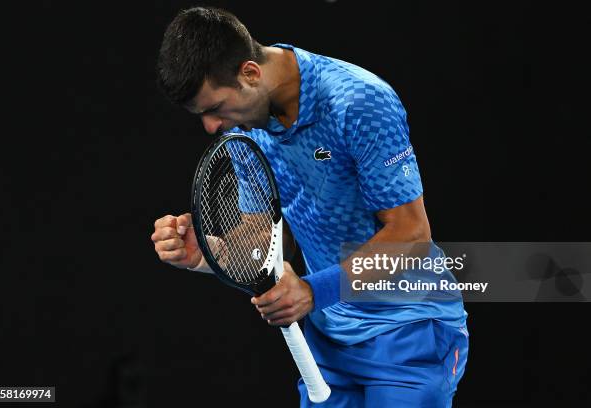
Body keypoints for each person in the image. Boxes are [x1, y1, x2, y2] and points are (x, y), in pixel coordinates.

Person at [151, 7, 469, 407]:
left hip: (409, 332)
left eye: (214, 108)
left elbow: (412, 235)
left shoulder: (358, 102)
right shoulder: (244, 127)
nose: (212, 127)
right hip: (329, 339)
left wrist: (313, 291)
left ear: (250, 73)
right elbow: (261, 234)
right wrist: (210, 254)